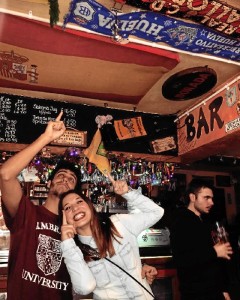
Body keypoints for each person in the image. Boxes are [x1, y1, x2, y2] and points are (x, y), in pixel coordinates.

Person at [0, 111, 158, 300]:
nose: (65, 179)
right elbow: (5, 175)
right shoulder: (27, 212)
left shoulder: (79, 229)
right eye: (60, 175)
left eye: (71, 179)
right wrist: (47, 137)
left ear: (76, 192)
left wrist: (141, 268)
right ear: (49, 183)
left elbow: (104, 263)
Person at [59, 174, 164, 299]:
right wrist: (68, 245)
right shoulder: (74, 252)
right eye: (68, 207)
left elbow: (156, 212)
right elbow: (85, 287)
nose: (75, 208)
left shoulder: (118, 223)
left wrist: (128, 193)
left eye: (79, 201)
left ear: (90, 206)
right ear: (64, 218)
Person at [169, 178, 233, 300]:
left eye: (212, 198)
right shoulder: (181, 222)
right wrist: (214, 252)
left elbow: (214, 264)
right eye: (206, 198)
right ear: (193, 197)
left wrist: (223, 289)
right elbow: (182, 260)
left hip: (214, 292)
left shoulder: (204, 221)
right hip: (196, 294)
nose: (211, 202)